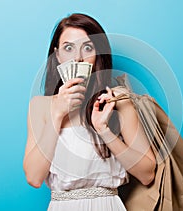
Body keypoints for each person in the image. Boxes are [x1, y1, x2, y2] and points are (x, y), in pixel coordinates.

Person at [23, 13, 156, 211]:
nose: (78, 57)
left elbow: (147, 174)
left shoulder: (116, 101)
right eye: (69, 48)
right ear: (57, 55)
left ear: (98, 54)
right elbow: (34, 178)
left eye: (87, 47)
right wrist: (58, 113)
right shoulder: (40, 106)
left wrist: (104, 130)